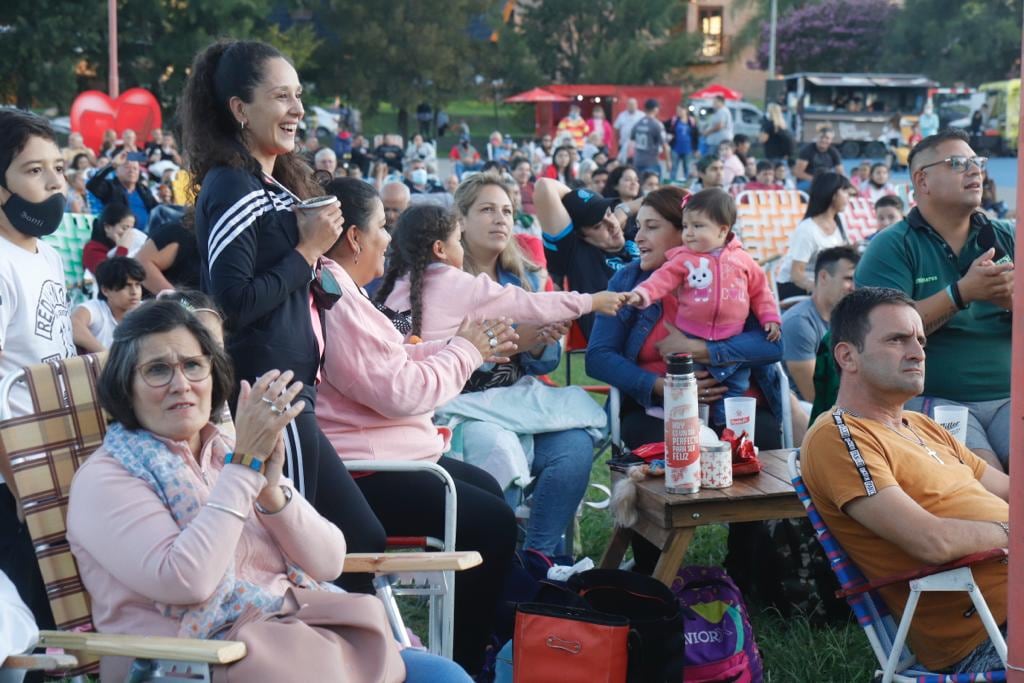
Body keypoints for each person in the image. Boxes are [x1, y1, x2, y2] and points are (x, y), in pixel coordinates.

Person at [67, 300, 469, 683]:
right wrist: (244, 469)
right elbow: (187, 582)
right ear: (125, 385)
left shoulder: (222, 450)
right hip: (193, 662)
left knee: (445, 676)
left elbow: (329, 562)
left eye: (193, 366)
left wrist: (272, 493)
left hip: (295, 641)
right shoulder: (107, 479)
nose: (181, 384)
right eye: (157, 370)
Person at [181, 39, 388, 589]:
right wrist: (306, 252)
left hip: (295, 393)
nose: (297, 109)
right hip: (268, 393)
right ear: (240, 109)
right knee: (298, 557)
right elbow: (231, 304)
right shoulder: (232, 186)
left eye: (298, 95)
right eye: (281, 97)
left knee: (358, 536)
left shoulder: (269, 183)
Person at [315, 179, 517, 674]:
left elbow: (395, 358)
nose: (390, 238)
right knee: (492, 522)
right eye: (383, 226)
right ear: (355, 238)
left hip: (384, 452)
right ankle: (466, 661)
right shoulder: (334, 294)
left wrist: (463, 348)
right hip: (360, 473)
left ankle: (481, 638)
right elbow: (400, 390)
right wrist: (466, 350)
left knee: (489, 489)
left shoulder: (342, 286)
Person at [378, 184, 614, 554]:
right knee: (494, 448)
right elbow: (422, 357)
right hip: (461, 409)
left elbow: (545, 358)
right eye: (488, 209)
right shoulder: (436, 280)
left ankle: (543, 556)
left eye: (507, 210)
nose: (501, 219)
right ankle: (503, 559)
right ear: (461, 223)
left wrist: (536, 342)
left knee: (574, 445)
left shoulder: (528, 278)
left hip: (518, 400)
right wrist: (589, 302)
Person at [802, 287, 1007, 675]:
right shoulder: (838, 437)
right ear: (847, 356)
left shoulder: (924, 426)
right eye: (897, 339)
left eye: (920, 339)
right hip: (987, 629)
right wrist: (1012, 532)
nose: (918, 352)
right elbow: (932, 541)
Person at [585, 186, 787, 577]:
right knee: (648, 440)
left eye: (650, 227)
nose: (636, 238)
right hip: (659, 404)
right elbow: (599, 356)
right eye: (636, 227)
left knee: (758, 436)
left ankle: (746, 571)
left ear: (690, 232)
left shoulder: (734, 272)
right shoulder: (630, 283)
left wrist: (702, 350)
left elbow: (773, 344)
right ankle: (653, 573)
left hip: (732, 399)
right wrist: (660, 387)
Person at [855, 130, 1013, 472]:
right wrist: (961, 294)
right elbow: (884, 337)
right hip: (934, 400)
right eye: (958, 163)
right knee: (987, 483)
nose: (975, 171)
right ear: (922, 181)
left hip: (1011, 398)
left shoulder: (1008, 236)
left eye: (977, 162)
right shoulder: (892, 246)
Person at [0, 109, 75, 634]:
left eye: (58, 167)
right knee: (30, 617)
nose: (53, 182)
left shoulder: (46, 254)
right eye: (33, 170)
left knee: (63, 620)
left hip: (55, 456)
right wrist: (15, 481)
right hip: (13, 475)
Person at [623, 189, 781, 427]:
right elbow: (660, 280)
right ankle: (682, 417)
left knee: (735, 388)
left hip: (730, 345)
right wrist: (642, 294)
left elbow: (761, 292)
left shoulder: (742, 260)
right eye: (686, 226)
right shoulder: (682, 260)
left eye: (697, 226)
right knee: (684, 383)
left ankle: (723, 428)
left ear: (722, 230)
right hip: (689, 339)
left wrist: (769, 317)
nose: (689, 234)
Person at [535, 178, 639, 339]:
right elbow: (544, 188)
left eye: (609, 214)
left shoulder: (636, 238)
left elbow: (664, 199)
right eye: (598, 226)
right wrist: (577, 202)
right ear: (582, 236)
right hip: (620, 338)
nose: (611, 225)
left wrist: (622, 210)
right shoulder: (576, 251)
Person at [781, 245, 858, 404]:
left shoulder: (849, 320)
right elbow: (816, 397)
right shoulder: (799, 323)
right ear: (823, 277)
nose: (854, 287)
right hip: (809, 414)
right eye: (848, 279)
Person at [775, 172, 852, 298]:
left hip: (824, 284)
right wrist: (823, 291)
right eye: (845, 192)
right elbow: (797, 275)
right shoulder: (807, 229)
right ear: (832, 194)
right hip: (795, 288)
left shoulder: (839, 222)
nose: (848, 197)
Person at [71, 256, 144, 352]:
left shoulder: (146, 309)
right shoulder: (95, 308)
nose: (134, 292)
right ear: (105, 290)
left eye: (138, 285)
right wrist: (107, 357)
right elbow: (73, 326)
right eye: (127, 286)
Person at [85, 150, 160, 231]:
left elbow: (157, 210)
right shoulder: (110, 187)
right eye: (127, 167)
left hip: (148, 236)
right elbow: (91, 185)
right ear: (116, 171)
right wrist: (111, 166)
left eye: (135, 168)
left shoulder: (144, 190)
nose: (131, 171)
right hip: (121, 236)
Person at [80, 202, 146, 275]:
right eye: (124, 228)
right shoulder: (92, 249)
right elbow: (110, 276)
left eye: (131, 228)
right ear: (107, 227)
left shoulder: (132, 242)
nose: (128, 233)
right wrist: (122, 249)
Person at [793, 125, 844, 192]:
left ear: (831, 140)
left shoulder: (833, 152)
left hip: (825, 182)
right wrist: (817, 180)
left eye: (827, 138)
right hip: (806, 182)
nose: (823, 140)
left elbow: (840, 173)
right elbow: (797, 172)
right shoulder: (807, 150)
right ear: (817, 137)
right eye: (821, 137)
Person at [629, 99, 668, 179]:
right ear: (655, 109)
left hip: (638, 160)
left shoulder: (638, 123)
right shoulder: (656, 124)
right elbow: (664, 145)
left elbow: (631, 142)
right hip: (651, 161)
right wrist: (668, 161)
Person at [613, 98, 645, 163]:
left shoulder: (642, 115)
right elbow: (616, 128)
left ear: (636, 105)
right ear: (627, 105)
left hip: (637, 145)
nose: (631, 106)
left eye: (633, 104)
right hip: (623, 143)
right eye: (630, 104)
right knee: (623, 162)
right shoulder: (622, 115)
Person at [668, 103, 694, 182]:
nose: (678, 112)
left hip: (688, 149)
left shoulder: (691, 121)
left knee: (687, 168)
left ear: (685, 110)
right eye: (677, 110)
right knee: (674, 168)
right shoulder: (674, 120)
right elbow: (666, 128)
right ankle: (671, 185)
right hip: (676, 148)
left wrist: (696, 148)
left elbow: (695, 134)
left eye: (680, 110)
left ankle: (687, 185)